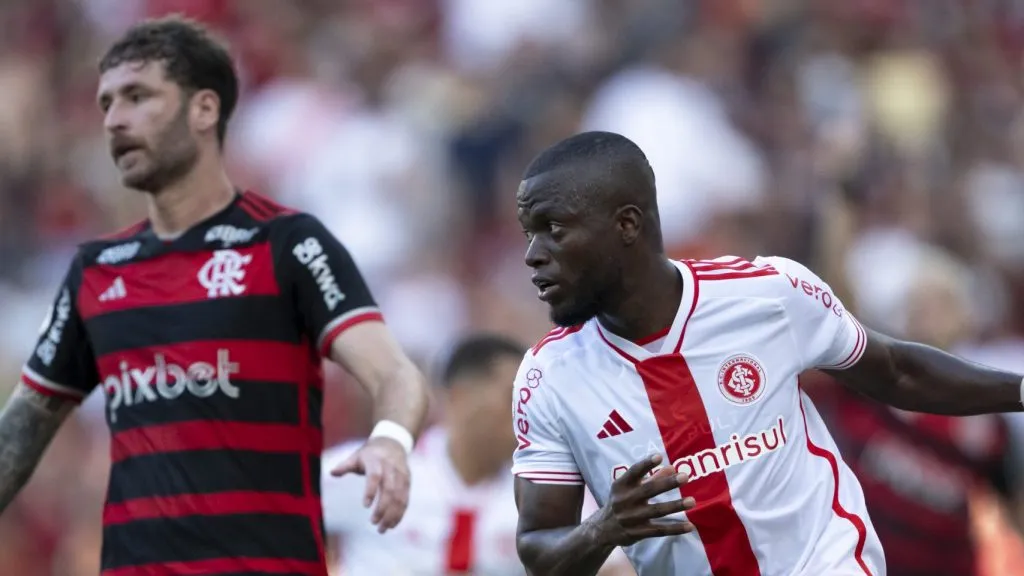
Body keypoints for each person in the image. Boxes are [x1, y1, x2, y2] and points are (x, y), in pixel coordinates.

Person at [0, 16, 429, 576]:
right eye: (106, 103)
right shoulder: (95, 271)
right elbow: (25, 423)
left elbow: (396, 374)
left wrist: (391, 441)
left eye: (137, 97)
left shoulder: (287, 246)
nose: (115, 121)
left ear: (204, 109)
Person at [509, 130, 1024, 576]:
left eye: (553, 229)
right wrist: (603, 529)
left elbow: (897, 372)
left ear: (626, 224)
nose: (533, 255)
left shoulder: (768, 295)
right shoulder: (548, 377)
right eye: (529, 233)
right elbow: (539, 551)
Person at [321, 333, 634, 576]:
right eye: (512, 397)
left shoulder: (551, 493)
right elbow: (277, 514)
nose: (526, 415)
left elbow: (614, 569)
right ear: (461, 396)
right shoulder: (377, 470)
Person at [805, 250, 1024, 576]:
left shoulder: (988, 421)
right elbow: (830, 304)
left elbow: (1012, 506)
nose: (927, 313)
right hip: (857, 564)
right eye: (918, 303)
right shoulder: (869, 378)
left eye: (941, 302)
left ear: (964, 316)